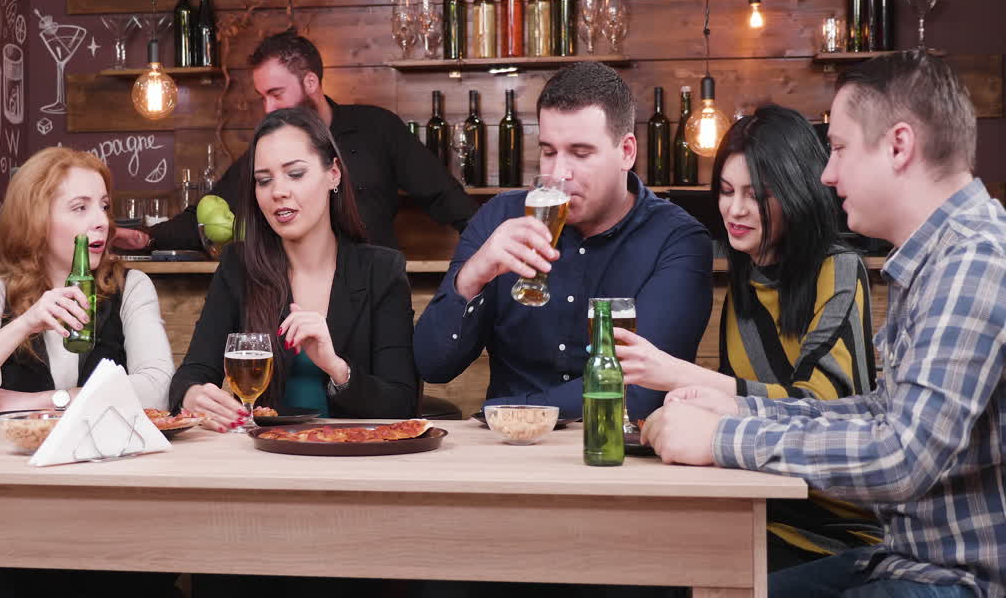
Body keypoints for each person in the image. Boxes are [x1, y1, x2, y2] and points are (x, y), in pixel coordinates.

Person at [643, 51, 1005, 598]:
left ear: (899, 146)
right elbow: (879, 413)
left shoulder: (972, 263)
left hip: (956, 581)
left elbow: (901, 457)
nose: (827, 174)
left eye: (838, 148)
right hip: (902, 560)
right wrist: (741, 409)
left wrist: (722, 437)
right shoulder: (932, 260)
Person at [612, 106, 880, 571]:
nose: (734, 210)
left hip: (833, 528)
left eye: (755, 196)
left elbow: (824, 408)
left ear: (796, 192)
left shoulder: (839, 269)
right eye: (726, 191)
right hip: (751, 507)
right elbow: (740, 406)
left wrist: (680, 375)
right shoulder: (747, 274)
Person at [413, 62, 714, 422]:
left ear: (626, 152)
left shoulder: (677, 240)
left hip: (617, 446)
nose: (559, 174)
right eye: (549, 151)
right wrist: (472, 277)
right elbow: (433, 366)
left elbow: (641, 393)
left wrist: (513, 410)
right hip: (511, 446)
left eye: (581, 153)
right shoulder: (499, 218)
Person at [115, 28, 476, 252]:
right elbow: (208, 212)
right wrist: (148, 238)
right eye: (262, 97)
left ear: (311, 83)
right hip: (296, 299)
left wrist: (489, 242)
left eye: (276, 93)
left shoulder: (377, 127)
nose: (268, 108)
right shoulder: (266, 150)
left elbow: (444, 196)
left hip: (376, 294)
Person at [170, 106, 418, 430]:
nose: (278, 192)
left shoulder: (381, 271)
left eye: (295, 174)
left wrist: (337, 369)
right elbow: (191, 374)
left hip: (356, 456)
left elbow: (402, 404)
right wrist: (192, 395)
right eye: (264, 180)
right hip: (267, 455)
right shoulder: (239, 267)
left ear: (333, 174)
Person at [0, 147, 174, 416]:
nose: (102, 221)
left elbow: (158, 390)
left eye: (104, 206)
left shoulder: (131, 286)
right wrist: (25, 324)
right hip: (11, 444)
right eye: (80, 208)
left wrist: (49, 400)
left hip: (105, 443)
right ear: (36, 220)